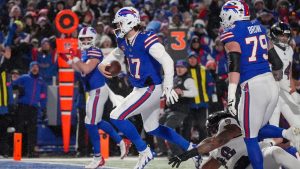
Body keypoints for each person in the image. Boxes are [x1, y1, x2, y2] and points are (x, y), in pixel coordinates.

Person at [97, 7, 201, 169]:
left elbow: (167, 61)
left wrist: (168, 84)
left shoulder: (146, 38)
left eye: (120, 23)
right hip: (140, 88)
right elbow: (118, 52)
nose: (117, 26)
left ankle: (144, 151)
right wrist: (104, 63)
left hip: (150, 88)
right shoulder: (124, 39)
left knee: (116, 116)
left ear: (130, 22)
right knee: (152, 128)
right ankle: (191, 149)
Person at [219, 1, 300, 169]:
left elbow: (234, 64)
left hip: (253, 86)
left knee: (249, 137)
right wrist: (277, 73)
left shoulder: (230, 33)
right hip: (270, 83)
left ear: (232, 14)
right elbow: (275, 60)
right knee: (258, 128)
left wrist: (232, 93)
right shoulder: (259, 27)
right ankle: (287, 133)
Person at [62, 26, 131, 169]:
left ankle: (98, 157)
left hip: (98, 90)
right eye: (83, 39)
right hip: (94, 90)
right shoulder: (85, 52)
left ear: (93, 39)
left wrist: (74, 58)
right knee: (97, 121)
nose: (86, 41)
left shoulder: (94, 51)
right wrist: (71, 61)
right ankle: (121, 141)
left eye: (88, 38)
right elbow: (81, 69)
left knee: (90, 123)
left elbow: (86, 69)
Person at [168, 111, 300, 169]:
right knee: (275, 151)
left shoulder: (230, 128)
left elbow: (217, 140)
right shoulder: (215, 148)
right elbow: (215, 143)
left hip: (261, 161)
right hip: (252, 164)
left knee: (278, 150)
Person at [157, 60, 197, 157]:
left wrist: (183, 92)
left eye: (182, 67)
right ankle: (163, 150)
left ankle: (178, 152)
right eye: (178, 67)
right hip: (171, 109)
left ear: (186, 68)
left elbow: (195, 93)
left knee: (167, 128)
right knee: (157, 126)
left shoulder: (188, 80)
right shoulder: (175, 78)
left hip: (181, 110)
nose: (179, 69)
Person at [268, 22, 300, 127]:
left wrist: (293, 91)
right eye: (281, 35)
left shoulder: (290, 49)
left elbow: (289, 74)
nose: (284, 38)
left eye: (286, 35)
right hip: (272, 90)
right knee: (274, 124)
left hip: (285, 91)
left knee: (297, 124)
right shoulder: (269, 49)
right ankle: (270, 142)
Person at [12, 61, 47, 157]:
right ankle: (17, 151)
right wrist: (17, 87)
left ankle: (31, 152)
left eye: (36, 67)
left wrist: (43, 107)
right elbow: (12, 85)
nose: (35, 68)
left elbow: (44, 95)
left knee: (32, 130)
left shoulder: (41, 81)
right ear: (30, 68)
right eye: (33, 67)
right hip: (23, 106)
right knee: (19, 128)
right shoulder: (24, 77)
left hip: (34, 108)